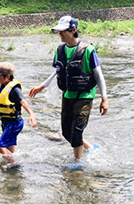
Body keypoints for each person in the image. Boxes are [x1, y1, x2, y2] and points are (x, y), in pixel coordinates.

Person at [28, 16, 108, 168]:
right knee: (66, 133)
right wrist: (42, 86)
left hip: (85, 95)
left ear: (73, 30)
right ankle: (90, 148)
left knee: (77, 130)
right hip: (68, 95)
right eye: (59, 32)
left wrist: (104, 98)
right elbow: (59, 71)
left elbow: (99, 75)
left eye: (63, 31)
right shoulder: (60, 50)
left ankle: (78, 162)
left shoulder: (88, 50)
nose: (60, 34)